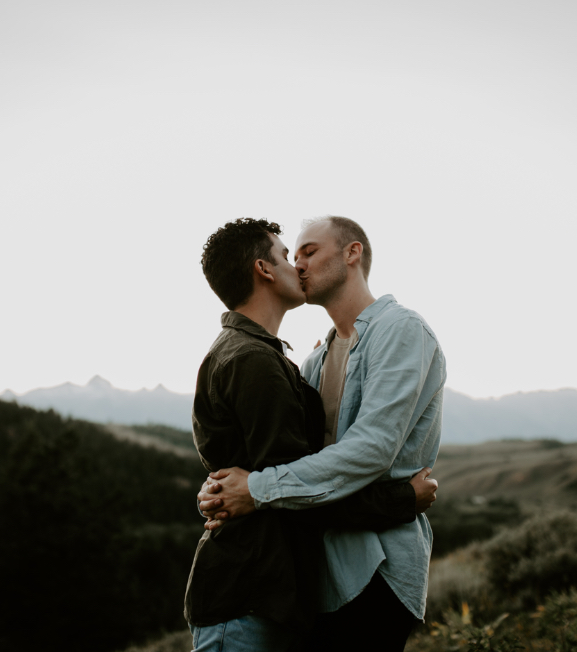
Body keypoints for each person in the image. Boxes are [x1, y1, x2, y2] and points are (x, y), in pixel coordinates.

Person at [184, 218, 438, 652]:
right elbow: (291, 469)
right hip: (318, 578)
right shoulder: (311, 363)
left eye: (309, 252)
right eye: (292, 254)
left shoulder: (399, 330)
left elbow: (371, 450)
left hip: (376, 567)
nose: (298, 264)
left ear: (351, 253)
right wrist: (227, 488)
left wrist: (254, 488)